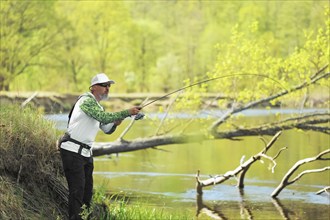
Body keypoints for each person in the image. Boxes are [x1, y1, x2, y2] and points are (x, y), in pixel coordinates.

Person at [59, 73, 141, 219]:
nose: (107, 88)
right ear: (94, 87)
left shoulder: (98, 107)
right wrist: (127, 111)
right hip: (72, 152)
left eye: (109, 86)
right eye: (104, 85)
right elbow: (102, 118)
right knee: (77, 192)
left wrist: (118, 120)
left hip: (85, 155)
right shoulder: (86, 100)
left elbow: (107, 129)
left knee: (86, 194)